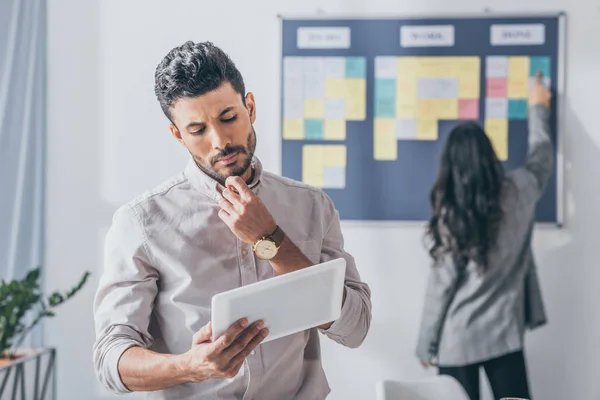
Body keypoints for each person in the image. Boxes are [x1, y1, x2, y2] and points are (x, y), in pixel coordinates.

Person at [93, 41, 372, 399]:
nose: (220, 141)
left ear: (249, 107)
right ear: (178, 135)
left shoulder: (312, 206)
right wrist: (190, 367)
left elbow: (355, 328)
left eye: (228, 118)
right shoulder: (141, 222)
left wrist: (270, 240)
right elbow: (110, 360)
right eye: (197, 130)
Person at [415, 72, 553, 400]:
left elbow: (441, 287)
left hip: (457, 337)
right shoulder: (521, 189)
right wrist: (538, 108)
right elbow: (542, 155)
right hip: (504, 333)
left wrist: (426, 344)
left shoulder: (453, 213)